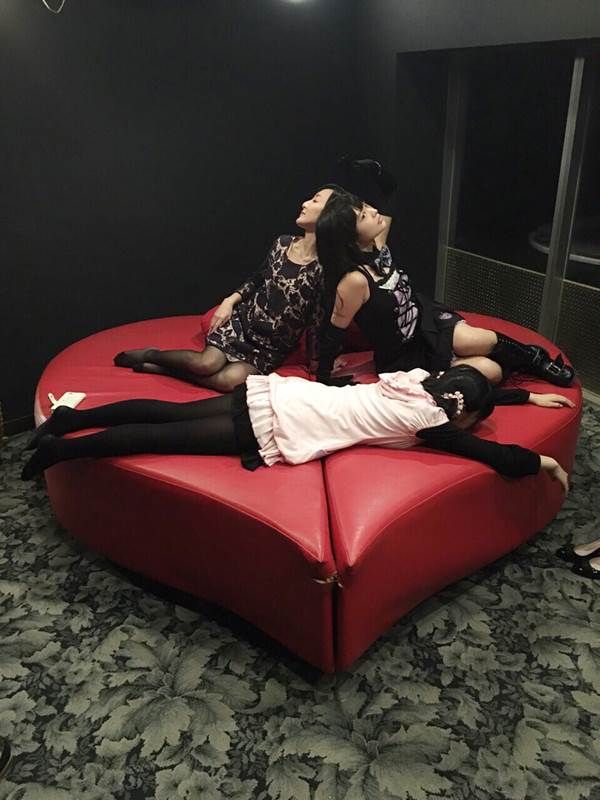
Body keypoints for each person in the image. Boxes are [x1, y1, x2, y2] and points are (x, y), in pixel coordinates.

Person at [22, 365, 570, 493]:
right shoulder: (432, 422)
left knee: (163, 415)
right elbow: (490, 455)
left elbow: (468, 392)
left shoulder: (416, 381)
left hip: (280, 394)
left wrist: (522, 395)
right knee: (157, 437)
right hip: (283, 421)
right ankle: (58, 453)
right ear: (463, 414)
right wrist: (543, 461)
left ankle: (71, 421)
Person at [314, 171, 575, 389]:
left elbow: (388, 198)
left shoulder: (377, 246)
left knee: (483, 340)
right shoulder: (354, 281)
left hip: (426, 321)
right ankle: (506, 365)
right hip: (405, 357)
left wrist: (376, 174)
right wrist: (324, 378)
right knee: (492, 371)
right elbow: (333, 330)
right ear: (350, 237)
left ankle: (537, 360)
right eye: (363, 215)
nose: (372, 211)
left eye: (366, 206)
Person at [113, 185, 351, 392]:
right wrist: (229, 301)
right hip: (243, 325)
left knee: (229, 382)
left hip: (269, 347)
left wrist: (319, 364)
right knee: (205, 364)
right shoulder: (283, 243)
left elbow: (317, 320)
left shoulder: (324, 269)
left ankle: (164, 370)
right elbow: (257, 279)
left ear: (328, 216)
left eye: (315, 201)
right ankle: (152, 354)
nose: (305, 203)